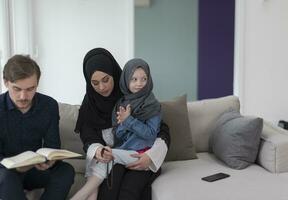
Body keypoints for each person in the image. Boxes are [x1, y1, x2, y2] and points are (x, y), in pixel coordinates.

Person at [74, 48, 170, 200]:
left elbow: (161, 130)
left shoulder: (132, 95)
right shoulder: (89, 105)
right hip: (113, 158)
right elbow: (88, 138)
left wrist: (151, 157)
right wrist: (98, 150)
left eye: (106, 80)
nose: (102, 87)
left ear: (114, 74)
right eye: (95, 83)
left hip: (141, 156)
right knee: (109, 189)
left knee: (131, 189)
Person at [0, 55, 75, 199]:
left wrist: (50, 160)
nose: (23, 96)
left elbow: (53, 145)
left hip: (35, 169)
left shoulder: (49, 105)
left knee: (66, 171)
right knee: (5, 177)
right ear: (6, 82)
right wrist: (14, 166)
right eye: (17, 89)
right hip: (6, 171)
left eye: (30, 89)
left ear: (37, 84)